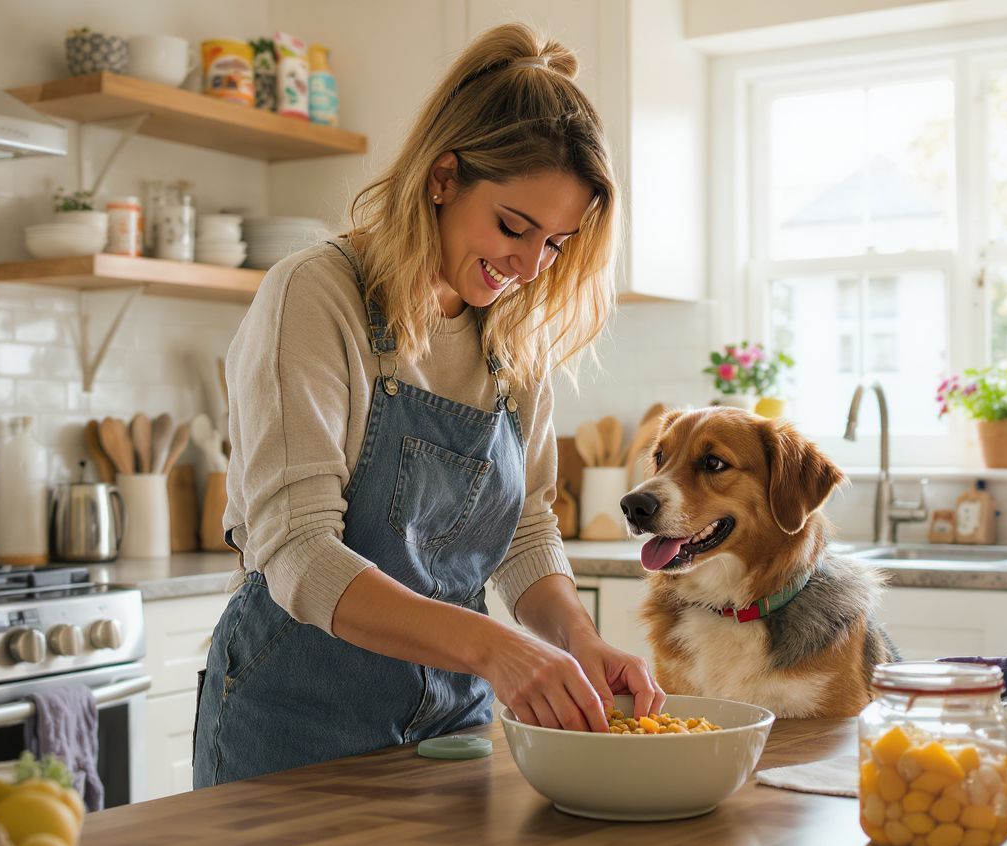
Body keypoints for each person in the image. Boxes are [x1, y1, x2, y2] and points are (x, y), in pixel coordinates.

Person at [193, 22, 664, 788]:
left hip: (452, 730)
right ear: (442, 177)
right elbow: (298, 553)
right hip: (291, 727)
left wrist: (579, 639)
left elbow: (525, 531)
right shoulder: (317, 296)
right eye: (514, 226)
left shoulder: (515, 337)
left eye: (555, 244)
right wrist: (493, 647)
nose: (528, 265)